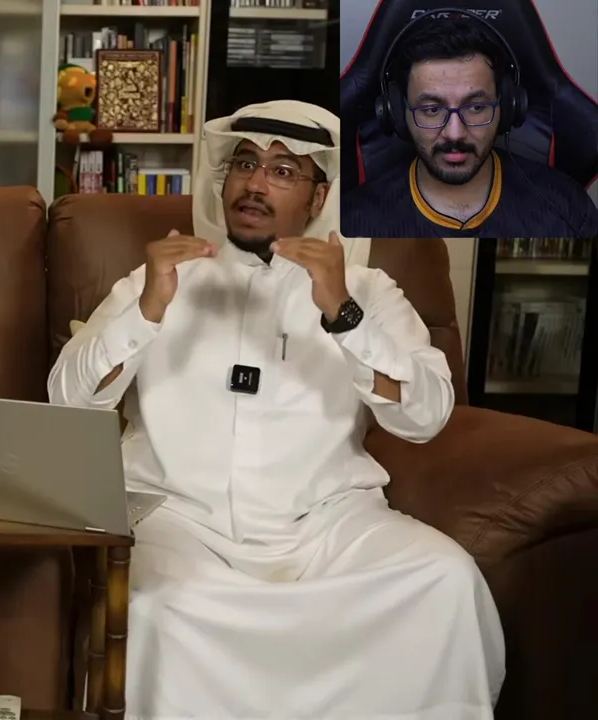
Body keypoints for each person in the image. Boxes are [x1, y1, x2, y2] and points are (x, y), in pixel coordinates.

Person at [49, 100, 505, 719]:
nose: (256, 183)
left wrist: (343, 315)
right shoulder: (157, 278)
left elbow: (425, 417)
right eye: (245, 164)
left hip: (327, 524)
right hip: (182, 522)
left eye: (284, 171)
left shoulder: (365, 291)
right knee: (158, 609)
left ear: (319, 197)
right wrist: (148, 310)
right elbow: (67, 400)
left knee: (445, 580)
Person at [342, 16, 598, 238]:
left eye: (475, 107)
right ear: (397, 113)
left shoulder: (567, 209)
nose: (455, 133)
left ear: (507, 107)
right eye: (432, 110)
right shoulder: (354, 220)